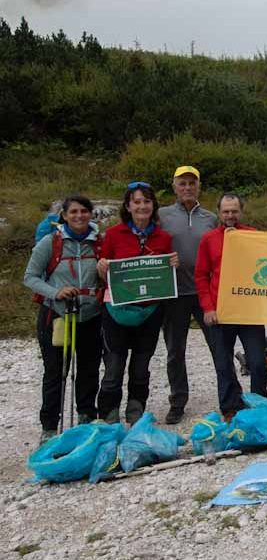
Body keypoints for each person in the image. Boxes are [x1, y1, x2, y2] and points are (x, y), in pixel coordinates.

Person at [95, 182, 179, 424]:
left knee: (141, 365)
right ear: (128, 206)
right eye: (137, 202)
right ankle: (108, 412)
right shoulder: (112, 234)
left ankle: (136, 408)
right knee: (114, 366)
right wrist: (101, 268)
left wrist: (172, 265)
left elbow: (165, 273)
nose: (142, 206)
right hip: (116, 310)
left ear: (153, 206)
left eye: (147, 201)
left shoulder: (163, 237)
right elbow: (104, 272)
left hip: (150, 311)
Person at [23, 196, 104, 443]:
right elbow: (30, 277)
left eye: (84, 211)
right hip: (56, 316)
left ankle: (86, 417)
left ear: (91, 214)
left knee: (89, 370)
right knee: (55, 371)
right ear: (65, 216)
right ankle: (48, 428)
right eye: (73, 212)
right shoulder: (50, 243)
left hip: (91, 315)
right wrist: (55, 292)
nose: (79, 216)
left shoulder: (100, 243)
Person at [195, 193, 267, 419]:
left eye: (234, 211)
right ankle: (230, 407)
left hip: (249, 311)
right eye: (226, 211)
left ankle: (261, 404)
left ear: (241, 212)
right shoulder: (209, 239)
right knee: (223, 363)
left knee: (257, 362)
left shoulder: (254, 236)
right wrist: (207, 308)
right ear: (219, 212)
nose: (230, 215)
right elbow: (200, 275)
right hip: (220, 313)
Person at [158, 165, 219, 424]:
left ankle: (229, 395)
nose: (187, 188)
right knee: (175, 350)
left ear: (199, 187)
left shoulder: (210, 218)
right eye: (182, 183)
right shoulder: (161, 215)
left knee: (218, 346)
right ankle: (178, 400)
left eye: (191, 183)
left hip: (205, 291)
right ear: (174, 187)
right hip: (175, 292)